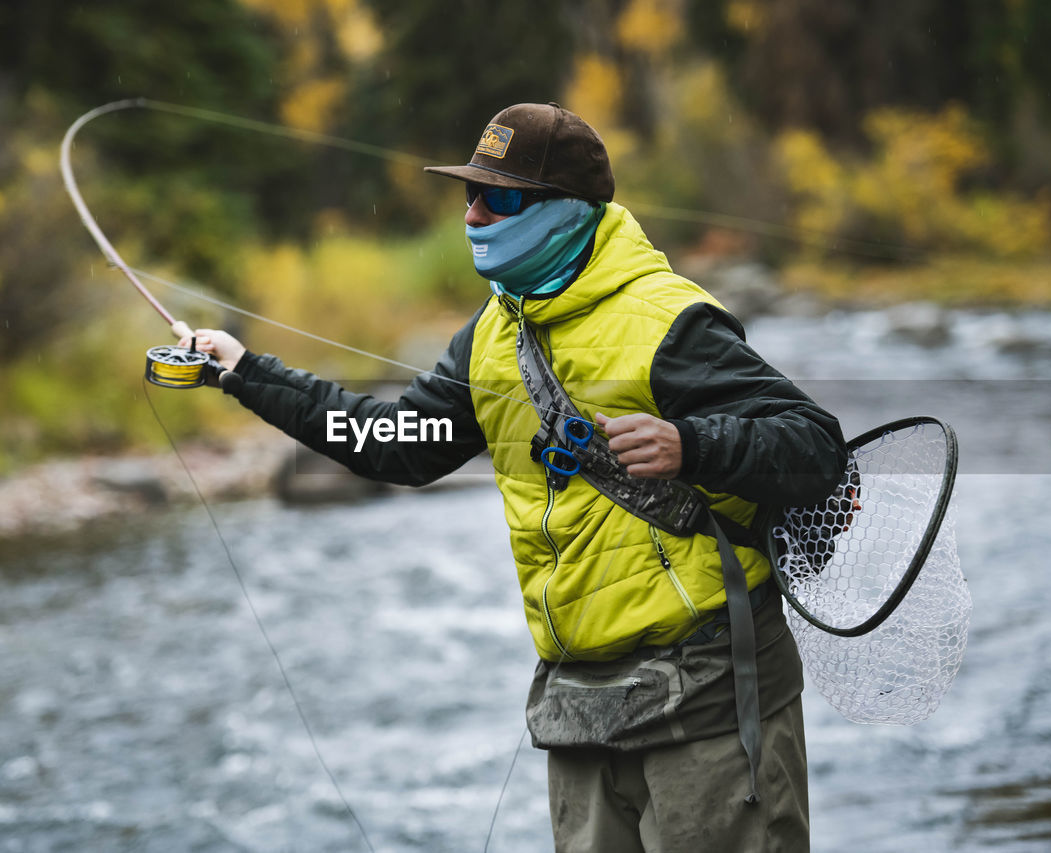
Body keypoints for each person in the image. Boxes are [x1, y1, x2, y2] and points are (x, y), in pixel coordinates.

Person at [184, 103, 847, 852]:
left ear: (567, 210)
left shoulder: (670, 321)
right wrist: (244, 372)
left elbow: (817, 448)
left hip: (712, 701)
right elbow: (399, 444)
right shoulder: (491, 337)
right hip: (580, 705)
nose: (472, 212)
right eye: (469, 193)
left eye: (498, 197)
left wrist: (689, 444)